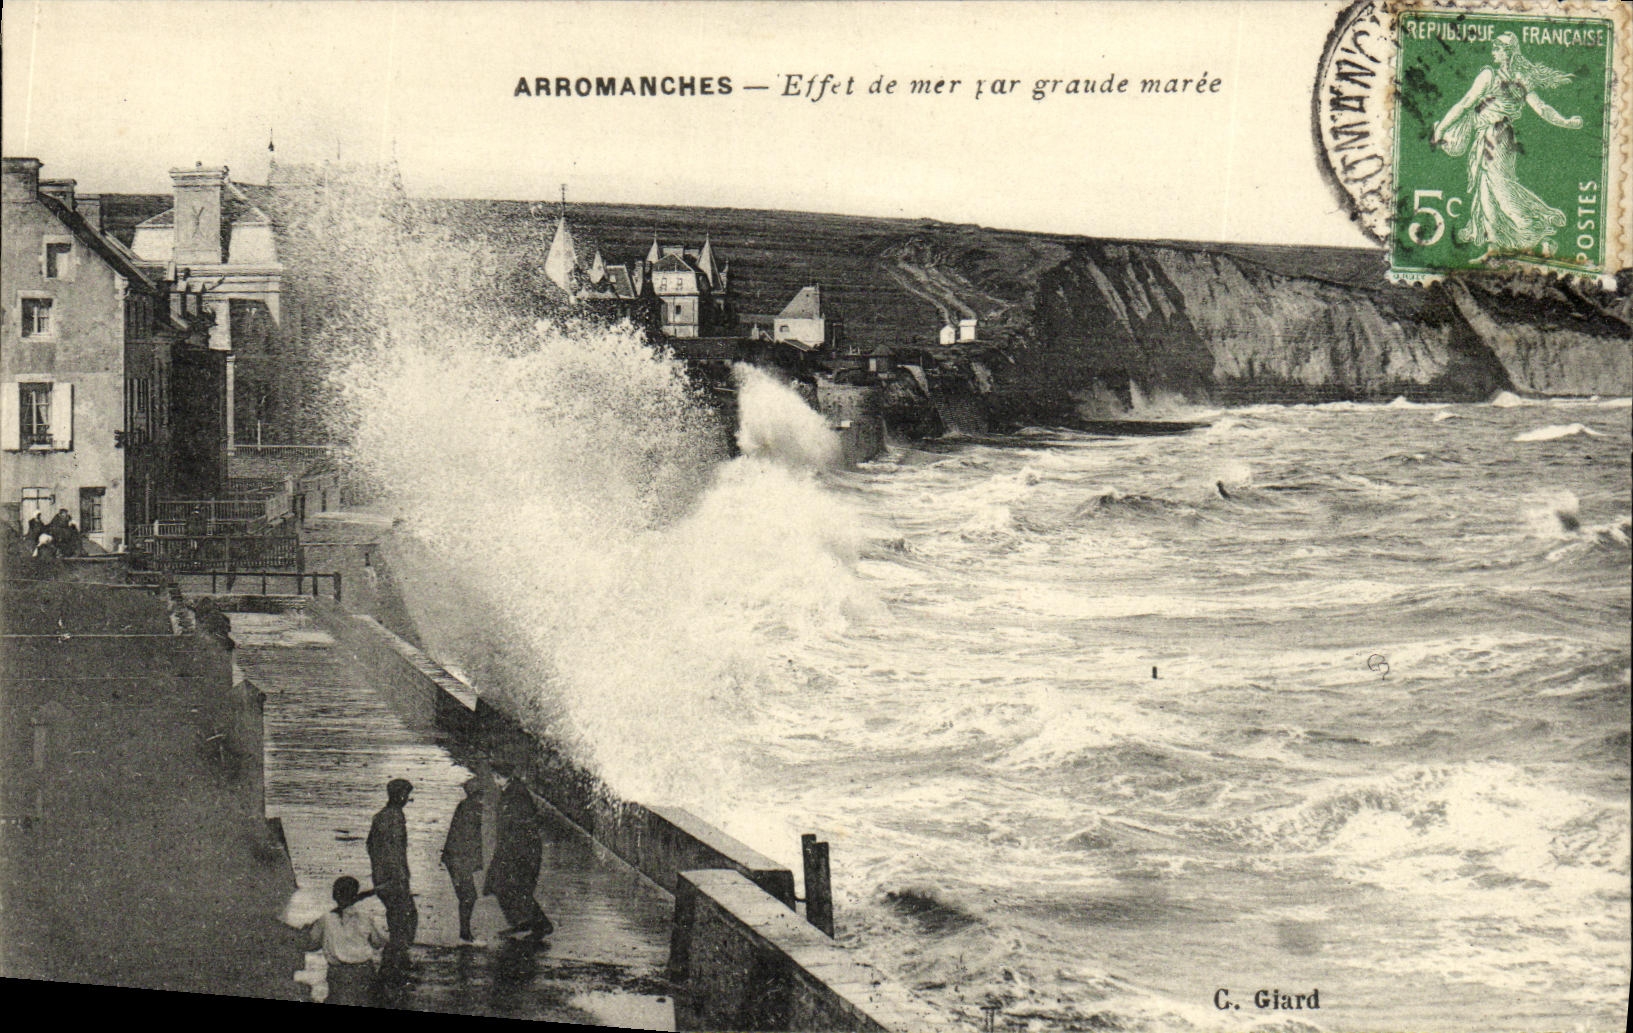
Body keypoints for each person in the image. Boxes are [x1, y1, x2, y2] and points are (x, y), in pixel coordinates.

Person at [1431, 32, 1583, 260]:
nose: (1493, 52)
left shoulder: (1492, 76)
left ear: (1507, 52)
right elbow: (1541, 108)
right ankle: (1493, 248)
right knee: (1486, 190)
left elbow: (1465, 104)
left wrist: (1441, 129)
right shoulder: (1517, 78)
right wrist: (1565, 122)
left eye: (1496, 48)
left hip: (1496, 136)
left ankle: (1538, 235)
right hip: (1496, 136)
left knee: (1501, 188)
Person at [484, 767, 553, 942]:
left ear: (499, 776)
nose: (493, 781)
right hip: (515, 848)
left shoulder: (516, 794)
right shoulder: (513, 790)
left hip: (520, 850)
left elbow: (520, 824)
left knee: (514, 887)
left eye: (495, 777)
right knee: (507, 886)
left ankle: (539, 925)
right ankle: (523, 921)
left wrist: (510, 851)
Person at [306, 876, 387, 1006]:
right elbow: (379, 942)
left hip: (339, 973)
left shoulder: (326, 919)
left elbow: (311, 945)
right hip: (365, 970)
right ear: (355, 896)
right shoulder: (365, 916)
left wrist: (308, 929)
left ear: (334, 895)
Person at [366, 778, 418, 974]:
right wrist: (399, 876)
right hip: (394, 876)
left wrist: (378, 870)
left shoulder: (379, 816)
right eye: (406, 795)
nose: (407, 799)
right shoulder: (395, 817)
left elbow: (370, 845)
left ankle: (394, 957)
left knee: (395, 915)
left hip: (381, 875)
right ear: (401, 796)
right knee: (406, 915)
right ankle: (397, 959)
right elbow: (395, 850)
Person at [441, 777, 486, 943]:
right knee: (468, 897)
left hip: (456, 858)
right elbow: (467, 838)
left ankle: (465, 933)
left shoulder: (466, 806)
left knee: (468, 896)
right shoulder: (471, 809)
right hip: (458, 859)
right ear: (477, 794)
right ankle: (465, 935)